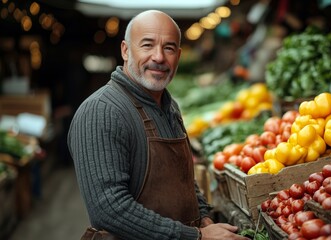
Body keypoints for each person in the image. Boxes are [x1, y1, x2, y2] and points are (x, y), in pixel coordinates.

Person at [68, 10, 250, 240]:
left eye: (169, 48)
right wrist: (196, 236)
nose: (159, 57)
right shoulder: (101, 111)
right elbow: (110, 209)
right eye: (147, 45)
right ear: (125, 50)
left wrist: (203, 216)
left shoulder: (169, 105)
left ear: (179, 55)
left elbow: (182, 178)